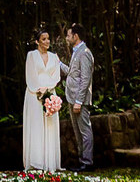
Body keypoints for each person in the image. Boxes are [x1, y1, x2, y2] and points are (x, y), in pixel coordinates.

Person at [23, 28, 62, 172]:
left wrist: (48, 88)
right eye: (44, 39)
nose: (47, 41)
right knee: (36, 126)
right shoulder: (31, 55)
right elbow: (30, 75)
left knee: (50, 126)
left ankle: (50, 162)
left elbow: (56, 76)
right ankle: (36, 161)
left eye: (48, 38)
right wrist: (38, 89)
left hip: (50, 92)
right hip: (34, 94)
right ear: (37, 41)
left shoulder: (53, 57)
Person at [60, 23, 94, 171]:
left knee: (85, 131)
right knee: (78, 132)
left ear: (76, 36)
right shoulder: (76, 51)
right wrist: (58, 63)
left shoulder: (85, 52)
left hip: (79, 100)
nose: (67, 38)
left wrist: (79, 101)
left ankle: (87, 162)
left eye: (68, 35)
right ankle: (82, 161)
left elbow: (85, 79)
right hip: (72, 99)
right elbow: (72, 73)